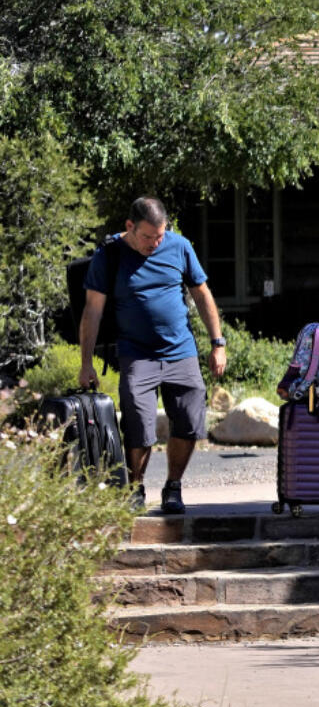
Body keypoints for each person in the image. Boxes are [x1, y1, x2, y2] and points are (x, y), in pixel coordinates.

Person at [78, 196, 227, 513]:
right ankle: (136, 489)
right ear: (130, 227)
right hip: (136, 354)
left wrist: (218, 343)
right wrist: (86, 363)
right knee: (138, 427)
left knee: (188, 420)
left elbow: (202, 294)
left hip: (180, 350)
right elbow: (92, 310)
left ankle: (173, 487)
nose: (155, 243)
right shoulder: (109, 255)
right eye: (148, 236)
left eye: (160, 236)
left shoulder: (179, 246)